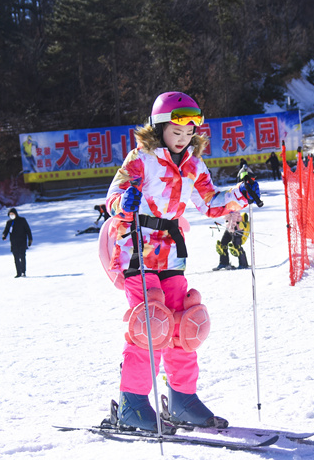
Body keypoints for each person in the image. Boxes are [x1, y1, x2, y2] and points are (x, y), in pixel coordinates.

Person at [105, 91, 261, 432]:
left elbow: (210, 203)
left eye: (190, 133)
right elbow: (112, 200)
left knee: (182, 326)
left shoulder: (193, 164)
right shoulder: (140, 158)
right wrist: (125, 202)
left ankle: (182, 398)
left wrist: (240, 196)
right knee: (150, 325)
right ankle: (132, 403)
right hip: (137, 249)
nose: (184, 139)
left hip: (172, 253)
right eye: (177, 133)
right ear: (159, 128)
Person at [2, 208, 32, 278]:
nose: (11, 216)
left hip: (22, 241)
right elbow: (6, 230)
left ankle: (23, 272)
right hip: (14, 243)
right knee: (16, 258)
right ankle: (18, 273)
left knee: (22, 256)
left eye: (12, 214)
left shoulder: (22, 220)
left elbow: (28, 230)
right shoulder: (9, 222)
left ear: (16, 214)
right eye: (10, 215)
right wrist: (4, 236)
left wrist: (30, 239)